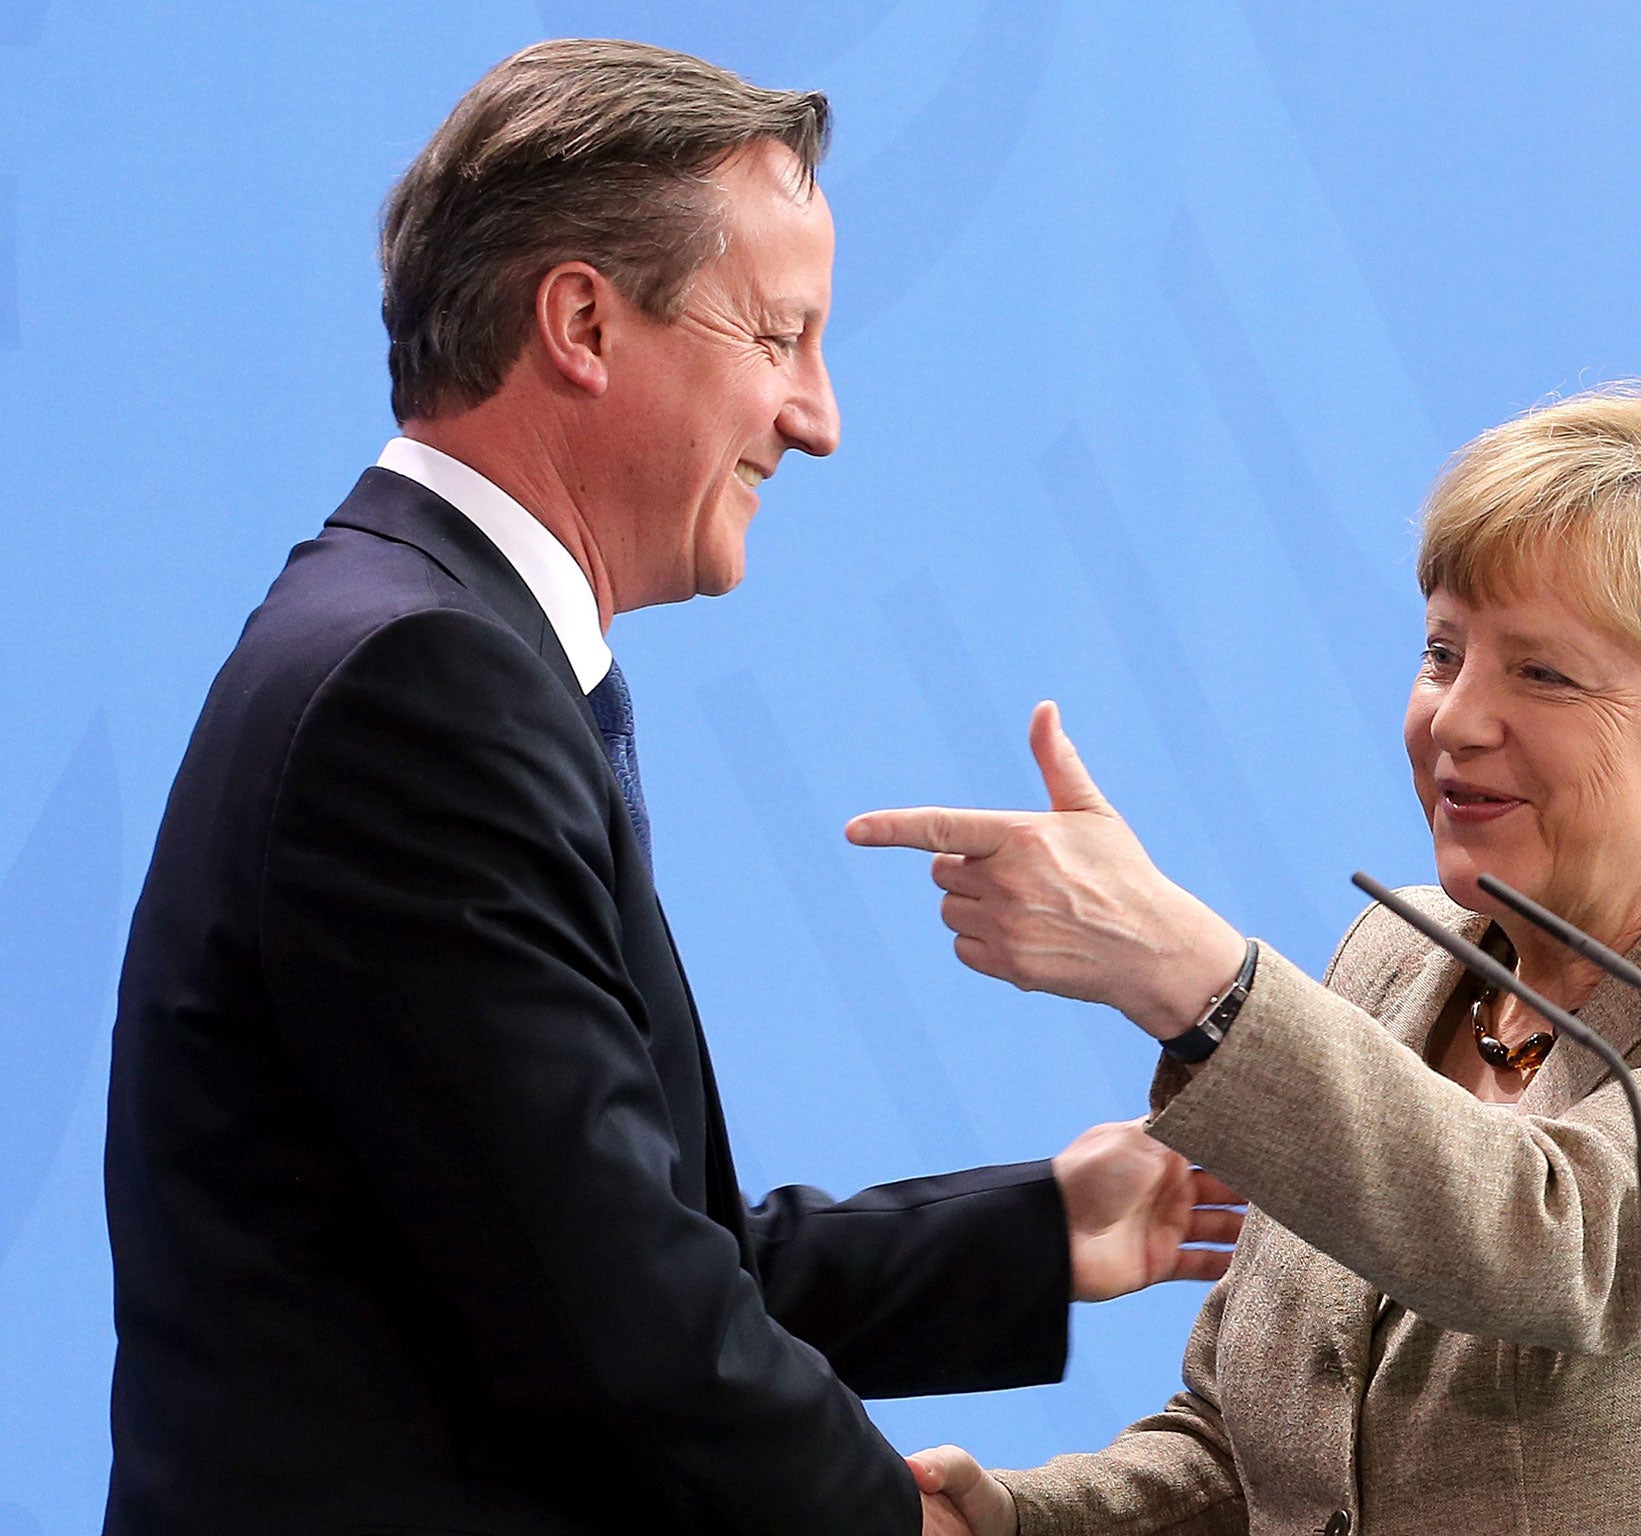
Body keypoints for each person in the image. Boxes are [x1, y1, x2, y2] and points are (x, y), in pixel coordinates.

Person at [103, 40, 1240, 1536]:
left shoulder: (415, 635)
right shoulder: (419, 688)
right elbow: (616, 1317)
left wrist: (1040, 1231)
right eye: (781, 336)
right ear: (583, 319)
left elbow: (607, 1247)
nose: (818, 416)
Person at [849, 387, 1641, 1535]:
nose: (1455, 718)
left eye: (1539, 674)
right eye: (1442, 652)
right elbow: (1254, 1455)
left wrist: (1187, 973)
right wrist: (1012, 1520)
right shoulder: (1397, 957)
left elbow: (1557, 1239)